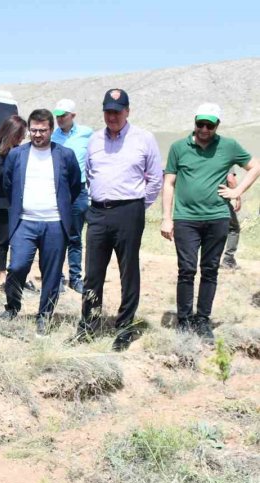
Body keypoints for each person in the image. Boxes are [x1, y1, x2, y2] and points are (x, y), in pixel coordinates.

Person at [161, 103, 259, 341]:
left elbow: (255, 166)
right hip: (185, 219)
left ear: (217, 125)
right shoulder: (178, 148)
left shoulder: (229, 146)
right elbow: (169, 183)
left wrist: (238, 192)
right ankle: (184, 320)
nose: (204, 129)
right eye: (200, 124)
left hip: (217, 219)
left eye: (209, 125)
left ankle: (202, 320)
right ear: (194, 122)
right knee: (186, 270)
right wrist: (166, 217)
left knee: (210, 270)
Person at [74, 89, 163, 351]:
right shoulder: (94, 140)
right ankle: (89, 325)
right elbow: (90, 174)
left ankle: (124, 328)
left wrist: (136, 207)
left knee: (128, 271)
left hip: (129, 212)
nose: (112, 116)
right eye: (108, 111)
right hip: (99, 212)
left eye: (117, 111)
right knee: (92, 273)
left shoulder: (144, 138)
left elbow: (155, 179)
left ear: (127, 111)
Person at [0, 109, 81, 335]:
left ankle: (44, 315)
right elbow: (8, 184)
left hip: (55, 223)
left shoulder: (66, 155)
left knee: (51, 273)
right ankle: (12, 307)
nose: (37, 134)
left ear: (51, 130)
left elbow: (74, 186)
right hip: (24, 222)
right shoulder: (17, 155)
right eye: (33, 130)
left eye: (42, 130)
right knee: (16, 266)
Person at [51, 99, 93, 294]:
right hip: (58, 190)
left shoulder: (87, 134)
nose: (59, 119)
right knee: (58, 234)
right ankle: (57, 277)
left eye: (63, 115)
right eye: (57, 115)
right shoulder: (52, 137)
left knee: (75, 236)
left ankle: (75, 278)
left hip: (79, 191)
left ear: (73, 116)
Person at [0, 115, 27, 292]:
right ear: (12, 132)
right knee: (2, 240)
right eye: (20, 134)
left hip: (20, 201)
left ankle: (18, 276)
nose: (22, 138)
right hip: (3, 202)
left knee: (21, 240)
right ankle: (2, 278)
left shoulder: (20, 150)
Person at [222, 173, 241, 269]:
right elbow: (230, 179)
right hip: (220, 202)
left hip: (197, 201)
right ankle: (228, 260)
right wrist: (237, 196)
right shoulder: (225, 157)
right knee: (233, 229)